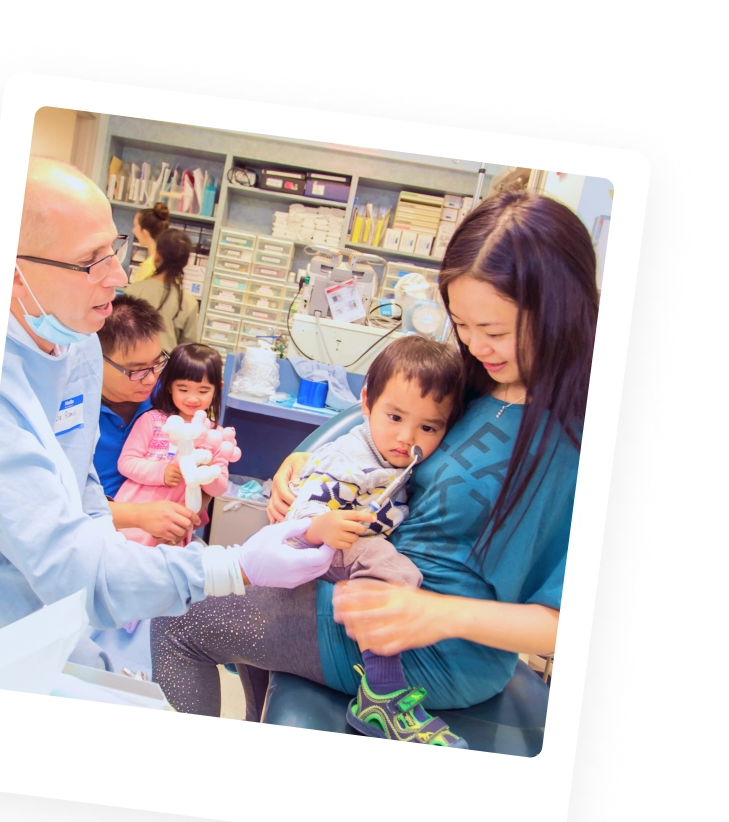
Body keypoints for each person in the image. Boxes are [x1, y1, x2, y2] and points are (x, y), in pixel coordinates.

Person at [149, 188, 598, 738]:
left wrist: (434, 614)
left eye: (497, 331)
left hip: (425, 644)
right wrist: (301, 462)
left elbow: (575, 626)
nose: (478, 345)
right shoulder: (482, 390)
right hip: (369, 594)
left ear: (562, 309)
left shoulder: (574, 443)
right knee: (249, 590)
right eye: (462, 325)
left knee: (175, 618)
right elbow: (385, 431)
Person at [0, 157, 334, 657]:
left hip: (73, 608)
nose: (118, 276)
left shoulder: (77, 339)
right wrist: (235, 566)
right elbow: (65, 563)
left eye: (114, 248)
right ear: (12, 274)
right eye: (91, 260)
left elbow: (80, 479)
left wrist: (116, 553)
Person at [284, 335, 466, 745]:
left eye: (428, 426)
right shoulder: (348, 460)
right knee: (393, 571)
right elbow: (296, 519)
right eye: (395, 417)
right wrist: (322, 527)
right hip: (318, 543)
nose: (407, 437)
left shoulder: (401, 458)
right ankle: (382, 691)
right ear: (366, 401)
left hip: (348, 547)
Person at [94, 294, 203, 546]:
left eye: (158, 363)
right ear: (96, 358)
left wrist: (186, 514)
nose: (151, 379)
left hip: (165, 532)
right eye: (136, 370)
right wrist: (138, 516)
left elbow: (204, 462)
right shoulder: (75, 409)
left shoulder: (170, 396)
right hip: (100, 531)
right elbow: (60, 505)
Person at [115, 343, 229, 547]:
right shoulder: (153, 420)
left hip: (174, 528)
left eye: (203, 391)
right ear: (170, 386)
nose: (192, 398)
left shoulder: (215, 436)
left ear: (217, 388)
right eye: (183, 389)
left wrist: (206, 472)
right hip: (134, 519)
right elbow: (126, 462)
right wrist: (161, 472)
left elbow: (219, 488)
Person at [124, 228, 199, 354]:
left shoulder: (134, 291)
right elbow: (188, 351)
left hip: (133, 366)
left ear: (157, 255)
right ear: (185, 263)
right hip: (167, 368)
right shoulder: (189, 303)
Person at [129, 203, 170, 283]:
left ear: (144, 232)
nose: (133, 230)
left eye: (135, 226)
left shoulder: (149, 267)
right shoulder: (167, 265)